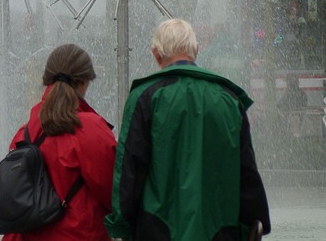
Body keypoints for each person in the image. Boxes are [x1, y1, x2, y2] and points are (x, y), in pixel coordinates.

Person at [104, 19, 270, 241]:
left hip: (157, 231)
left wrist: (122, 226)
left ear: (156, 53)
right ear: (197, 51)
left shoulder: (145, 98)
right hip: (221, 231)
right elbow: (246, 171)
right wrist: (255, 221)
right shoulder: (229, 100)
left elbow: (130, 171)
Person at [3, 43, 118, 241]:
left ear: (47, 80)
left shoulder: (24, 134)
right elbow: (114, 194)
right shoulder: (90, 130)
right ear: (83, 82)